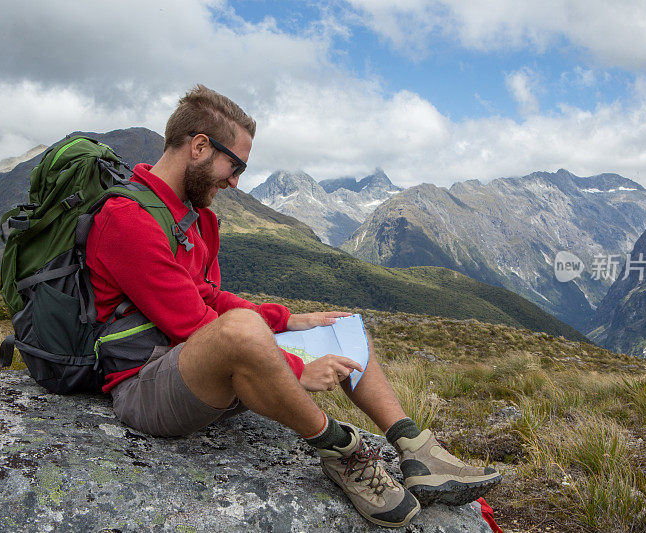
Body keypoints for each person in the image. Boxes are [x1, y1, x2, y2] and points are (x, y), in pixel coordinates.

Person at [85, 84, 501, 528]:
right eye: (235, 165)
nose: (234, 181)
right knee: (240, 328)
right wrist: (296, 368)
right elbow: (193, 323)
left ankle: (417, 450)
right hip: (144, 384)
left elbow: (206, 295)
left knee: (341, 324)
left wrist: (289, 319)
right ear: (200, 147)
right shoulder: (126, 219)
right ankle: (343, 452)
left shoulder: (196, 216)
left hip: (200, 370)